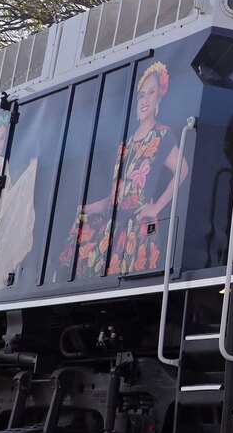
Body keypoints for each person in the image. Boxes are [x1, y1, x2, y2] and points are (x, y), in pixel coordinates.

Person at [71, 61, 188, 276]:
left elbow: (182, 169)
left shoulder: (162, 135)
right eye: (142, 94)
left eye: (151, 93)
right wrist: (93, 207)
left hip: (139, 230)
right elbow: (117, 195)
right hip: (115, 227)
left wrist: (156, 207)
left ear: (159, 97)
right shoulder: (125, 145)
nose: (145, 100)